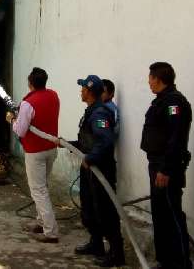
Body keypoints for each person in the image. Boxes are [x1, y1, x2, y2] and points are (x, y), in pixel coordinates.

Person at [141, 62, 193, 269]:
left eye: (150, 78)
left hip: (166, 168)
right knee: (160, 215)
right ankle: (165, 261)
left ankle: (181, 263)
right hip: (157, 164)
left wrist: (166, 169)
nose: (148, 82)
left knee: (172, 215)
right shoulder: (162, 101)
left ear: (158, 79)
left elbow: (176, 138)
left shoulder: (174, 103)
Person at [72, 75, 125, 267]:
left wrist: (90, 158)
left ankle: (117, 252)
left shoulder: (100, 114)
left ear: (89, 92)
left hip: (100, 169)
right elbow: (89, 140)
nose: (80, 91)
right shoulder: (91, 112)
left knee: (105, 211)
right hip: (90, 169)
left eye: (83, 88)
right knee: (89, 207)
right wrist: (67, 144)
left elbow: (105, 141)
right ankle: (96, 243)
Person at [7, 67, 61, 243]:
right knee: (43, 187)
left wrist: (12, 120)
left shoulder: (28, 103)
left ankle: (50, 231)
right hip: (51, 148)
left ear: (30, 83)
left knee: (38, 190)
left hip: (35, 151)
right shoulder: (53, 95)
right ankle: (41, 222)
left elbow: (21, 131)